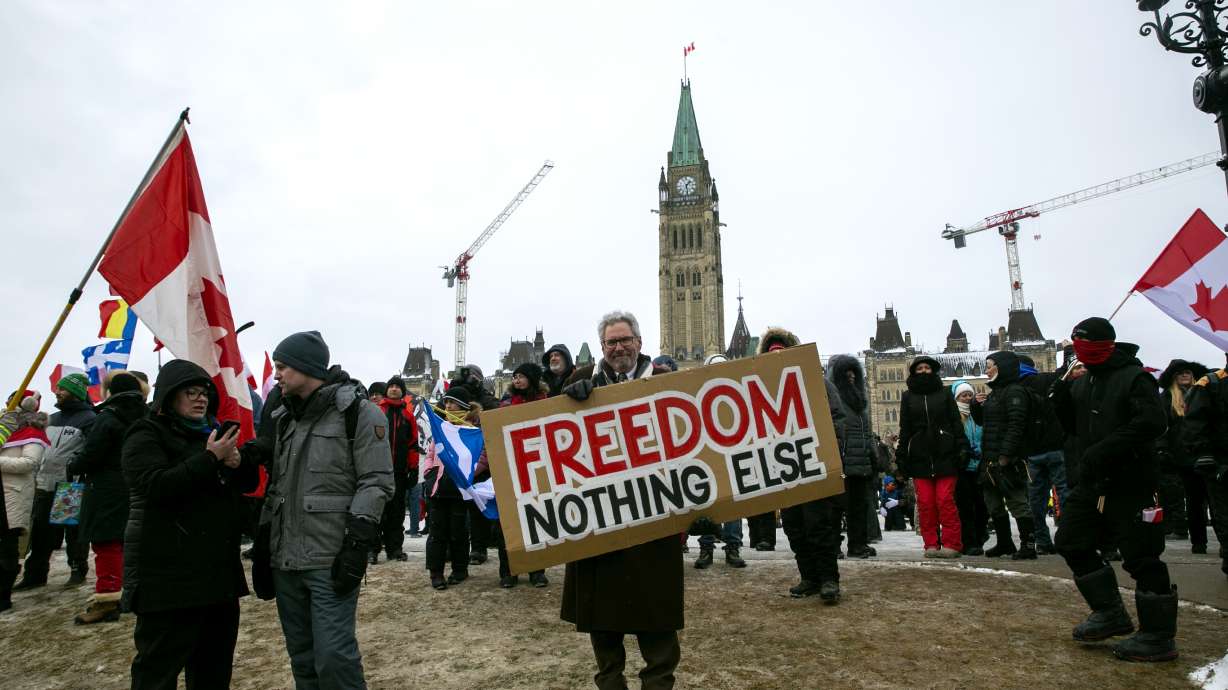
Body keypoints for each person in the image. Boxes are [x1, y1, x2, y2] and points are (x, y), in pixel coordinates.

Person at [248, 331, 393, 689]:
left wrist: (356, 544)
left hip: (330, 559)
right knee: (302, 658)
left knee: (334, 657)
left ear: (305, 367)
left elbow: (376, 482)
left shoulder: (358, 412)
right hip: (286, 560)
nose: (277, 375)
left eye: (282, 367)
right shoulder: (283, 417)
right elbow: (278, 486)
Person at [560, 310, 683, 690]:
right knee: (604, 625)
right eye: (611, 342)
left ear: (639, 343)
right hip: (600, 522)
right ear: (602, 347)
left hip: (653, 519)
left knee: (658, 625)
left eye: (624, 340)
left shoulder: (665, 382)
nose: (618, 348)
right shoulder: (582, 380)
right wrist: (567, 397)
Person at [121, 360, 258, 687]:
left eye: (204, 393)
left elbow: (243, 489)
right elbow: (157, 487)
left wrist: (238, 463)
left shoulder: (213, 433)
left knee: (213, 670)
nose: (200, 399)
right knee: (158, 671)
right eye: (190, 392)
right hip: (168, 580)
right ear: (169, 396)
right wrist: (210, 458)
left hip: (217, 577)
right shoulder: (145, 433)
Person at [1051, 317, 1177, 662]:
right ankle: (1109, 612)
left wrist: (1107, 448)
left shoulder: (1134, 378)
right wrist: (1060, 397)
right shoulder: (1082, 381)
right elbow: (1073, 428)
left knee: (1142, 556)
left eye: (1086, 346)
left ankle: (1158, 635)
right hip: (1092, 482)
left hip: (1131, 481)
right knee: (1071, 540)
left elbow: (1152, 423)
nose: (1081, 354)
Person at [757, 327, 847, 598]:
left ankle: (829, 579)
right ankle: (809, 577)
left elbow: (837, 417)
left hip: (813, 462)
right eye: (771, 354)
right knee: (794, 526)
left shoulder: (815, 380)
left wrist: (830, 448)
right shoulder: (761, 386)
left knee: (818, 524)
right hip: (784, 468)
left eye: (781, 353)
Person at [68, 372, 147, 625]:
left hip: (105, 489)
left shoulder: (108, 418)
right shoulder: (148, 416)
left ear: (111, 391)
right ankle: (134, 593)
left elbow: (92, 454)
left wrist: (73, 464)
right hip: (135, 486)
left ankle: (108, 600)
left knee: (106, 544)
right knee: (130, 543)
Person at [15, 373, 95, 591]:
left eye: (62, 389)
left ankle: (77, 570)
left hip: (69, 485)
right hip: (44, 483)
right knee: (41, 532)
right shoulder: (52, 418)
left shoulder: (89, 419)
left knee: (72, 532)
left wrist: (75, 468)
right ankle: (35, 574)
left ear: (76, 393)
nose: (57, 392)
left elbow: (92, 451)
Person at [896, 356, 965, 558]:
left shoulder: (944, 393)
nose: (924, 371)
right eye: (920, 368)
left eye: (927, 368)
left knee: (945, 501)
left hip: (945, 454)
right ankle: (931, 545)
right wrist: (902, 457)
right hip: (920, 457)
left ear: (933, 371)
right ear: (914, 372)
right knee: (926, 503)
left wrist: (962, 447)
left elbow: (955, 422)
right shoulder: (908, 397)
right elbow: (905, 429)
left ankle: (952, 544)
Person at [971, 351, 1037, 560]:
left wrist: (1007, 454)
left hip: (1007, 458)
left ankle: (1028, 544)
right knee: (993, 502)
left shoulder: (1015, 392)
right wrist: (975, 407)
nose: (987, 370)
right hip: (989, 457)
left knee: (1017, 501)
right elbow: (984, 423)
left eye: (990, 366)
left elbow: (1016, 425)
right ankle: (1005, 542)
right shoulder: (996, 393)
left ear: (1001, 367)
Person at [494, 363, 550, 587]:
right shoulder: (505, 404)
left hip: (538, 469)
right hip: (512, 468)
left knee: (538, 520)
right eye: (515, 376)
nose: (516, 380)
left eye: (522, 376)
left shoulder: (545, 402)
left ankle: (537, 570)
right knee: (509, 523)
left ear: (533, 379)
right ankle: (508, 571)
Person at [691, 354, 747, 570]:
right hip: (708, 459)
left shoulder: (737, 391)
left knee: (733, 505)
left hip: (732, 456)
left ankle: (733, 547)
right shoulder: (698, 393)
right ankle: (706, 548)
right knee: (706, 506)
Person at [422, 388, 477, 590]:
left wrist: (468, 475)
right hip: (438, 487)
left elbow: (478, 457)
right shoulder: (440, 428)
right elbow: (430, 454)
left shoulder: (471, 431)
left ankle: (460, 569)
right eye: (446, 403)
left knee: (459, 532)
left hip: (460, 490)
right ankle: (436, 573)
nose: (447, 406)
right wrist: (429, 474)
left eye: (452, 403)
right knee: (437, 532)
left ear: (462, 406)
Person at [0, 391, 48, 612]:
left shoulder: (33, 432)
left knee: (7, 548)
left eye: (15, 400)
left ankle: (3, 595)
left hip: (13, 494)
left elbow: (30, 463)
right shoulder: (3, 428)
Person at [1017, 354, 1069, 556]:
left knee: (1035, 500)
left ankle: (1042, 540)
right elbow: (1067, 373)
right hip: (1056, 446)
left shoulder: (1014, 389)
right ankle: (1067, 537)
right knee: (1065, 494)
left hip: (1032, 451)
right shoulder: (1049, 380)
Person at [827, 355, 877, 559]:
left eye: (853, 374)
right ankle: (833, 546)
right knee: (834, 509)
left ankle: (858, 544)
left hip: (860, 462)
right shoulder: (832, 397)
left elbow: (866, 432)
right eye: (846, 374)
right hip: (841, 460)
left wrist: (872, 455)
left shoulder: (860, 400)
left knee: (859, 507)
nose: (850, 378)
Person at [1156, 359, 1207, 547]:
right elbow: (1161, 427)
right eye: (1180, 373)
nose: (1185, 375)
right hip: (1176, 455)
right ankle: (1179, 529)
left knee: (1202, 500)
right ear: (1173, 377)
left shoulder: (1203, 394)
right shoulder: (1166, 399)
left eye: (1188, 372)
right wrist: (1162, 449)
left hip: (1201, 454)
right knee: (1173, 494)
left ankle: (1199, 540)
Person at [374, 376, 416, 564]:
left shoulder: (408, 416)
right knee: (375, 511)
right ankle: (372, 550)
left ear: (403, 391)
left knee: (397, 512)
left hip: (399, 471)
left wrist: (413, 469)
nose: (393, 389)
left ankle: (395, 548)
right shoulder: (377, 411)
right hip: (376, 471)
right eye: (390, 386)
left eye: (397, 387)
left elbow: (413, 444)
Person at [951, 380, 988, 555]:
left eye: (969, 395)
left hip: (980, 465)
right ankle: (969, 541)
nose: (967, 398)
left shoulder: (978, 414)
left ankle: (980, 536)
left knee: (982, 504)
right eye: (963, 395)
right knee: (965, 506)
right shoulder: (953, 416)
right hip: (962, 466)